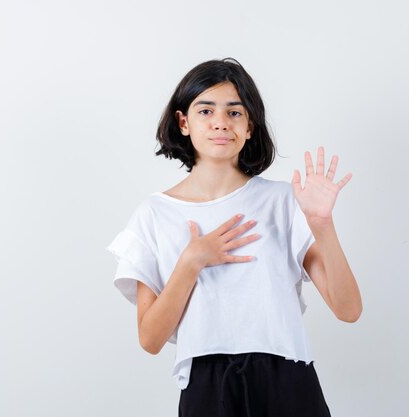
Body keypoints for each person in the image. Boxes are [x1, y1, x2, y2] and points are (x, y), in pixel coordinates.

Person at [105, 57, 362, 417]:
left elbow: (348, 309)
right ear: (183, 122)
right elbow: (150, 339)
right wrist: (192, 262)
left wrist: (322, 224)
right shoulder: (154, 215)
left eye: (235, 112)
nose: (221, 123)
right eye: (205, 110)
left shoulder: (282, 201)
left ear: (250, 126)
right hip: (207, 387)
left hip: (287, 378)